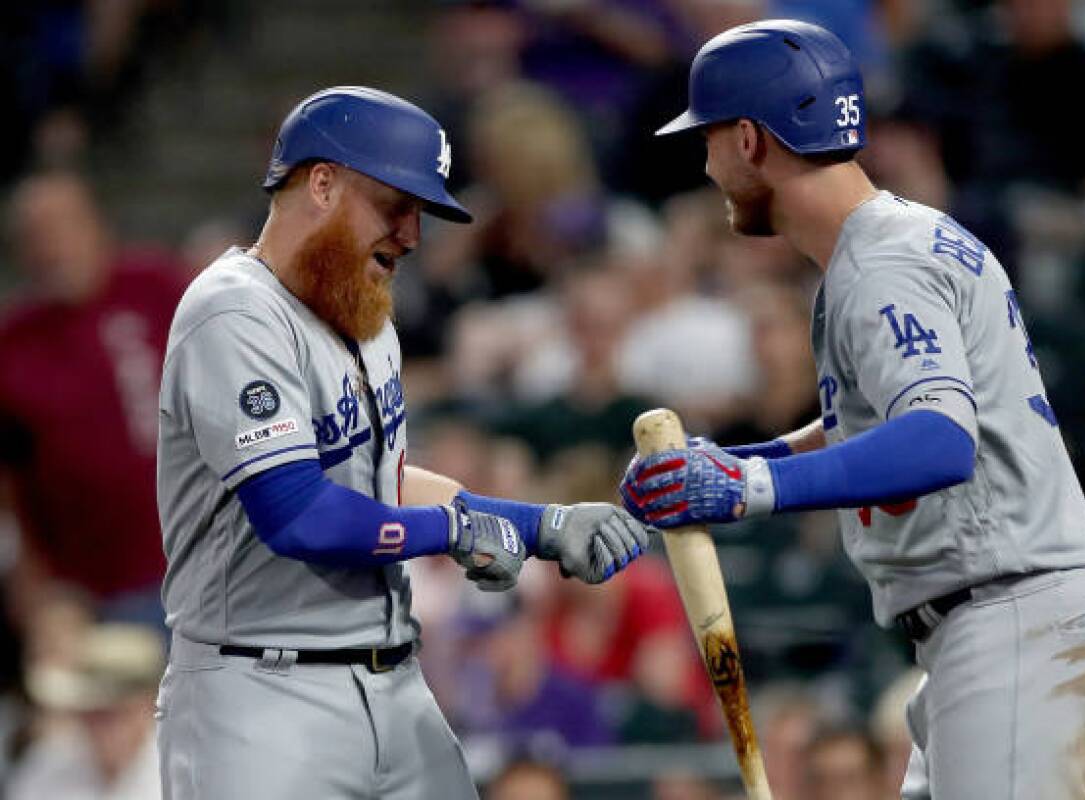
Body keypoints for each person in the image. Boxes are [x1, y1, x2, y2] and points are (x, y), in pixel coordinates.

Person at [620, 21, 1085, 799]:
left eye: (711, 139)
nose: (706, 163)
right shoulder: (890, 242)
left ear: (753, 141)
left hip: (1013, 617)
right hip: (993, 622)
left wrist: (748, 489)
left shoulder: (882, 263)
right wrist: (738, 464)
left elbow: (937, 440)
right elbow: (879, 419)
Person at [155, 86, 653, 800]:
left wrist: (542, 524)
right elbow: (300, 516)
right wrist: (454, 530)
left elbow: (381, 486)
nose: (413, 235)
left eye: (420, 212)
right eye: (396, 206)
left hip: (394, 681)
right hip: (262, 695)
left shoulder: (363, 314)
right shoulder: (234, 311)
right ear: (321, 183)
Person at [0, 171, 186, 629]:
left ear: (97, 227)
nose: (52, 248)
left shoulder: (159, 287)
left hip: (208, 565)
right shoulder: (13, 341)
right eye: (36, 237)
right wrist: (32, 587)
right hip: (93, 594)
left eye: (64, 228)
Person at [7, 623, 165, 800]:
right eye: (88, 710)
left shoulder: (183, 771)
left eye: (111, 712)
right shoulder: (45, 762)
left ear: (147, 706)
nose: (95, 723)